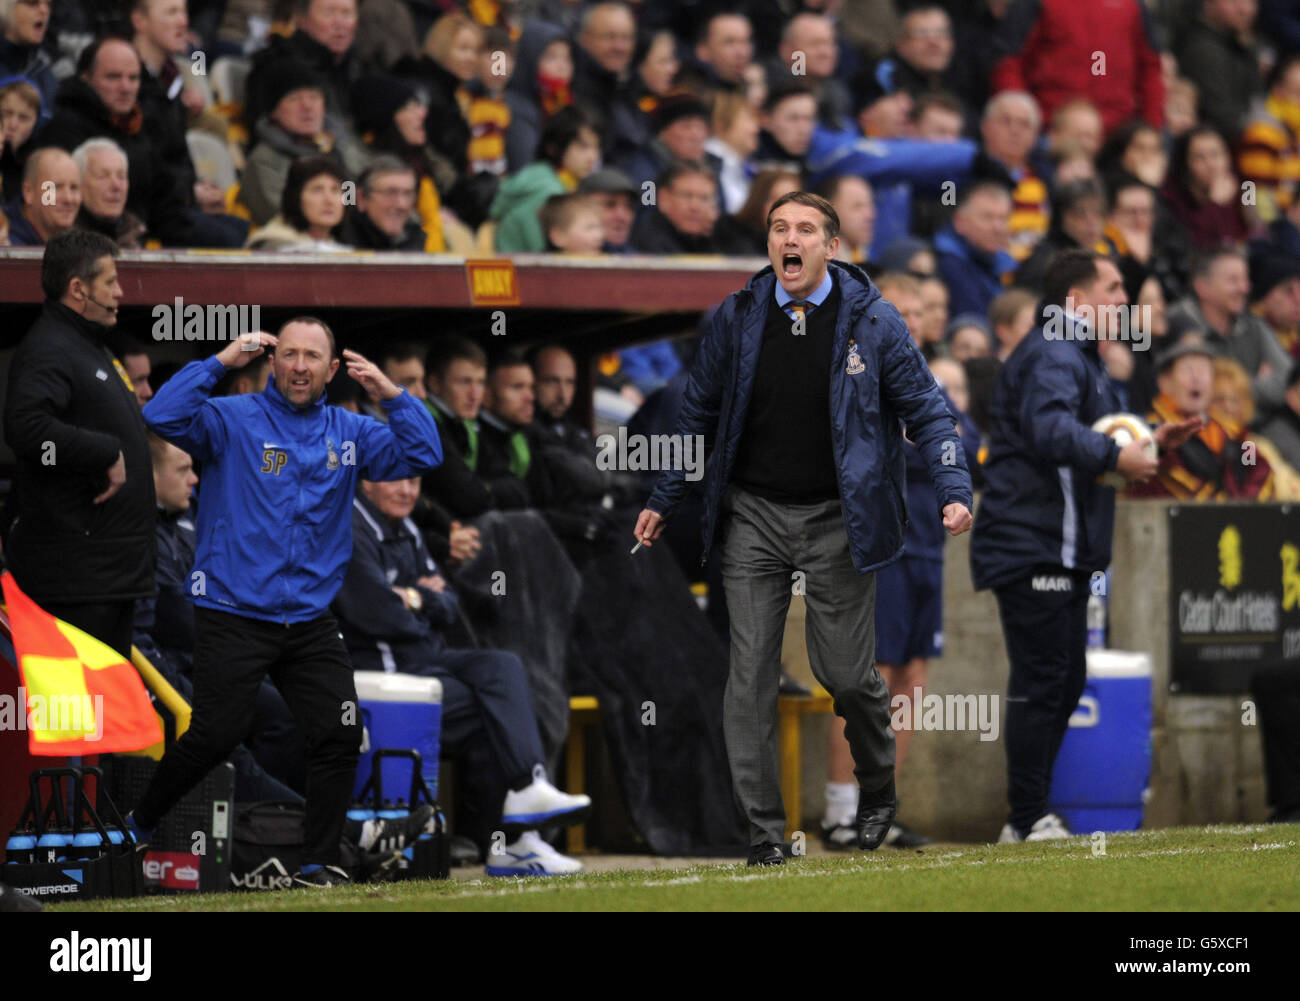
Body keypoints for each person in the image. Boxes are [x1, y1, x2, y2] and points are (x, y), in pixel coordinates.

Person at [634, 191, 975, 864]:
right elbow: (693, 413)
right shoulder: (736, 316)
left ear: (832, 248)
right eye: (778, 228)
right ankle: (764, 834)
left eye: (805, 230)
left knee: (846, 672)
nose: (789, 239)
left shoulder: (875, 322)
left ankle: (877, 784)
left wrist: (953, 487)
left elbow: (932, 414)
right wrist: (664, 494)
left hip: (838, 516)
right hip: (752, 513)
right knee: (749, 674)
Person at [123, 317, 443, 888]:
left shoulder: (351, 432)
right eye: (289, 354)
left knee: (340, 732)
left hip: (308, 620)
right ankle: (137, 825)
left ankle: (319, 863)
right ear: (272, 362)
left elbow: (422, 452)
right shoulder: (230, 418)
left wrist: (391, 395)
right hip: (233, 610)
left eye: (312, 357)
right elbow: (160, 415)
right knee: (215, 735)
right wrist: (221, 361)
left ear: (331, 369)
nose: (299, 366)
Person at [970, 249, 1201, 843]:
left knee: (1063, 681)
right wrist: (1115, 455)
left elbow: (1094, 434)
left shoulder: (1079, 356)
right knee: (1044, 680)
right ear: (1077, 301)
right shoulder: (1054, 352)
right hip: (1033, 545)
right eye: (1115, 287)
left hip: (1060, 548)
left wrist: (1150, 438)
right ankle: (1025, 818)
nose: (1124, 300)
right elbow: (1051, 431)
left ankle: (1028, 815)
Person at [333, 475, 590, 876]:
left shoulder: (409, 526)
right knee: (501, 715)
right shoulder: (348, 524)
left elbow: (449, 603)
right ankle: (515, 842)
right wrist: (422, 601)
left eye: (415, 481)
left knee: (504, 667)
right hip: (384, 671)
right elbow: (377, 613)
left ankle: (527, 793)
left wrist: (416, 598)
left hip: (424, 658)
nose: (408, 491)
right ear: (366, 482)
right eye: (396, 480)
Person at [2, 229, 152, 657]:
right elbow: (26, 429)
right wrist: (104, 451)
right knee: (78, 715)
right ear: (78, 289)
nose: (121, 292)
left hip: (107, 576)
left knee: (104, 713)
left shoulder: (89, 346)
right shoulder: (50, 347)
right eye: (111, 282)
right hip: (77, 582)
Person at [1127, 334, 1275, 500]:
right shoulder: (1149, 431)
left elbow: (1256, 468)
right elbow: (1168, 477)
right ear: (1165, 381)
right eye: (1188, 369)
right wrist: (1229, 508)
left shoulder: (1232, 433)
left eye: (1204, 371)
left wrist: (1247, 502)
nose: (1196, 378)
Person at [245, 153, 352, 252]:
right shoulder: (275, 246)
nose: (329, 200)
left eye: (335, 190)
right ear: (295, 198)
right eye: (317, 190)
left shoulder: (342, 246)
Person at [71, 138, 146, 249]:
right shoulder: (64, 240)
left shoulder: (140, 236)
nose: (116, 186)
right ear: (78, 182)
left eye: (121, 176)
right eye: (103, 176)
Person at [0, 145, 79, 245]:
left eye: (74, 187)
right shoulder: (4, 241)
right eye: (56, 187)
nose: (68, 198)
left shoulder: (82, 243)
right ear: (28, 192)